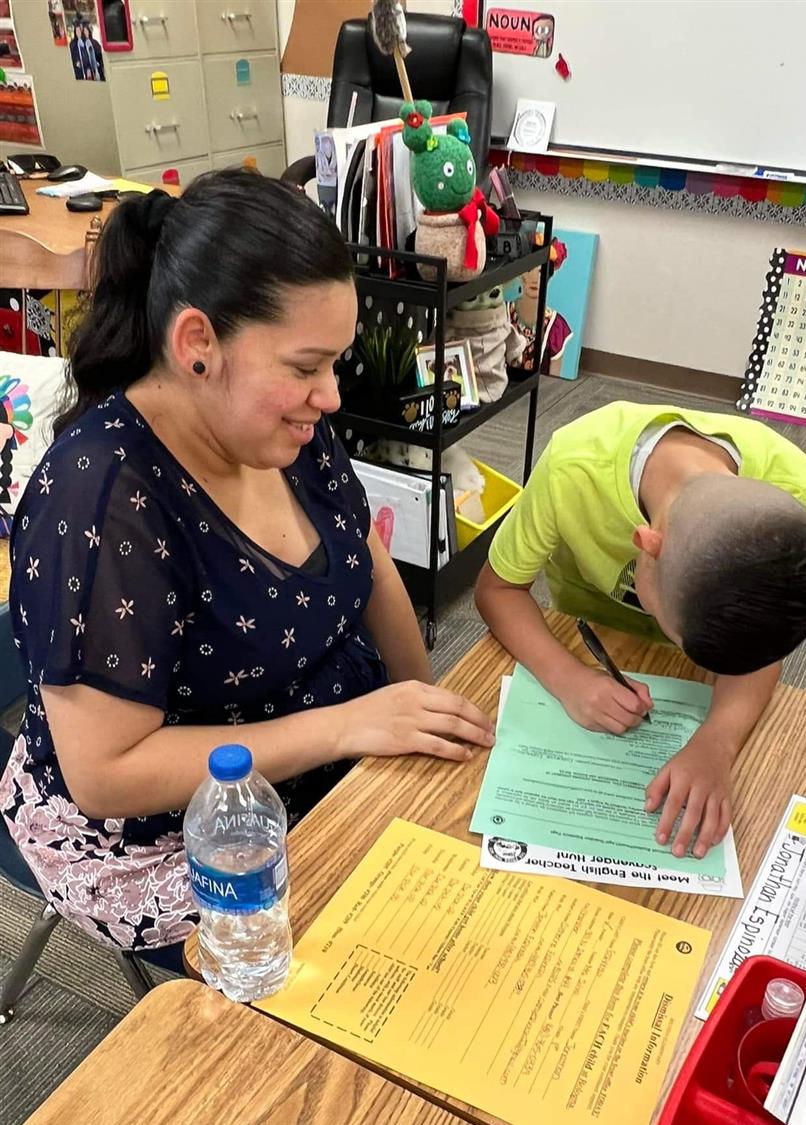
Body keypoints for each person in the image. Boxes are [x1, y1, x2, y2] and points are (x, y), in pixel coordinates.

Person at [2, 169, 494, 957]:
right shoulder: (101, 499)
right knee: (389, 954)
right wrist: (347, 726)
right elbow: (106, 774)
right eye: (306, 367)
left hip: (315, 744)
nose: (329, 396)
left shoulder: (279, 424)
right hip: (161, 829)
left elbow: (362, 555)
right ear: (198, 344)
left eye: (333, 364)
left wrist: (421, 709)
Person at [475, 401, 806, 860]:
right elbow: (497, 590)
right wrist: (569, 679)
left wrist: (718, 742)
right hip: (585, 637)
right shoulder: (572, 466)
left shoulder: (786, 476)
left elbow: (760, 643)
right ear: (647, 546)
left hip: (697, 675)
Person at [508, 237, 572, 377]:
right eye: (529, 269)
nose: (534, 279)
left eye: (541, 272)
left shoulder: (556, 326)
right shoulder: (503, 313)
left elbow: (553, 383)